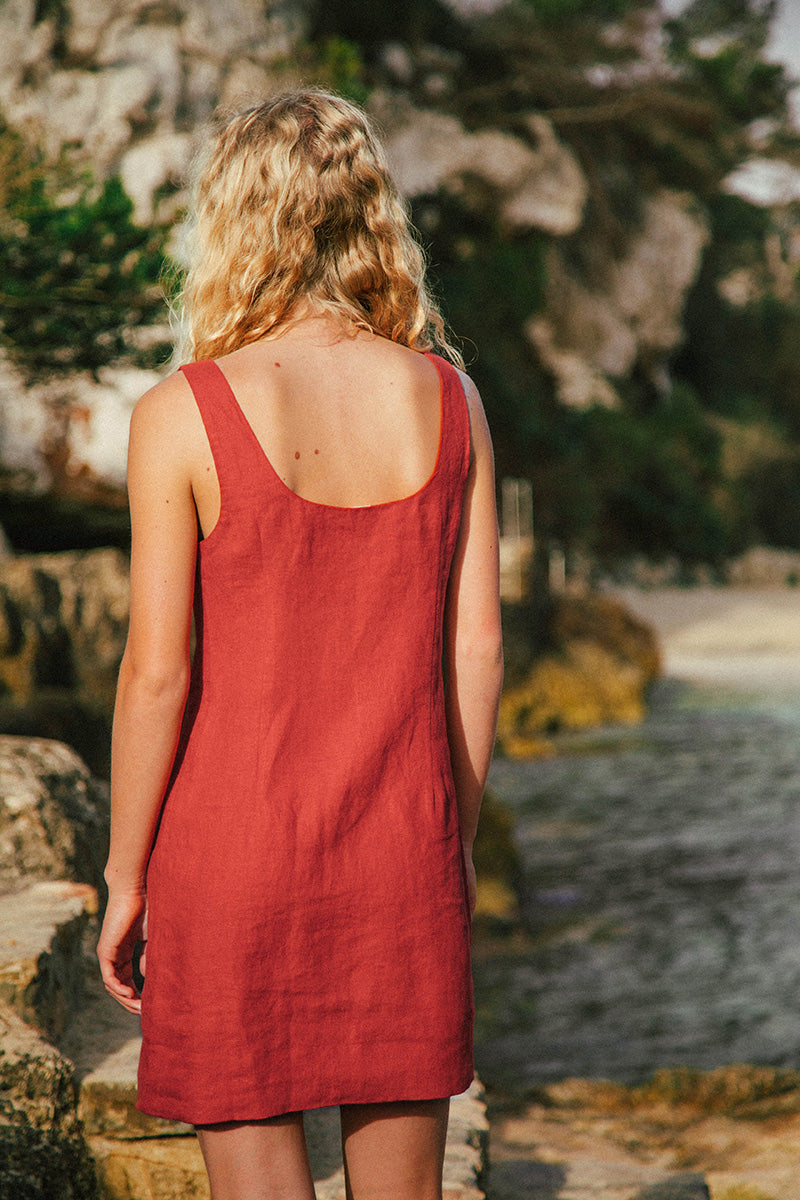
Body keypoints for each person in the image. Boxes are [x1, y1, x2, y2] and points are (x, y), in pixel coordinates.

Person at [96, 88, 503, 1200]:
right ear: (370, 216)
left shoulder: (181, 413)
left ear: (233, 222)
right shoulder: (452, 403)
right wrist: (450, 839)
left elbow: (156, 673)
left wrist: (126, 874)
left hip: (229, 862)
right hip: (397, 857)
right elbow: (474, 651)